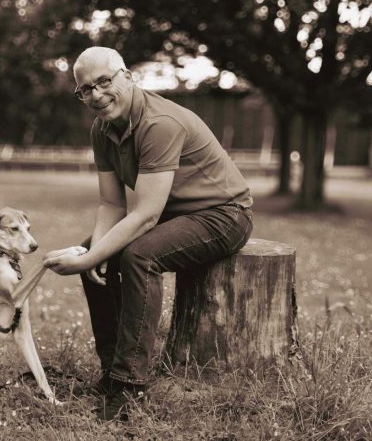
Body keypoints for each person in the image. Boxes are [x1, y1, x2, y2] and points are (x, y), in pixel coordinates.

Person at [43, 46, 253, 421]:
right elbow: (111, 204)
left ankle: (129, 386)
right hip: (177, 214)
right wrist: (92, 254)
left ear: (127, 75)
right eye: (85, 89)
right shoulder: (103, 129)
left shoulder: (159, 123)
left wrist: (87, 260)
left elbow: (145, 216)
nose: (96, 95)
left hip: (224, 214)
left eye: (103, 82)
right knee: (94, 249)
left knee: (138, 256)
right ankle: (111, 372)